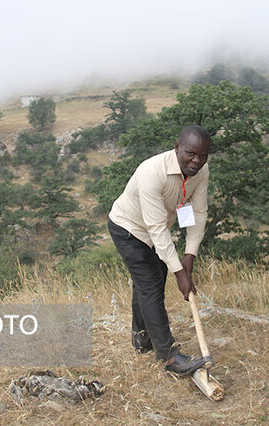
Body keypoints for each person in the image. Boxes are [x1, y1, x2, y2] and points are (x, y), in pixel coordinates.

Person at [107, 124, 211, 376]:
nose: (196, 161)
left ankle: (142, 337)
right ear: (177, 148)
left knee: (149, 282)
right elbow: (156, 228)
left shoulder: (201, 171)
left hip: (156, 230)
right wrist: (179, 273)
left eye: (202, 155)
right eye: (190, 154)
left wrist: (189, 256)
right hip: (129, 227)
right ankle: (169, 356)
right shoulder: (152, 172)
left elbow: (197, 213)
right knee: (151, 284)